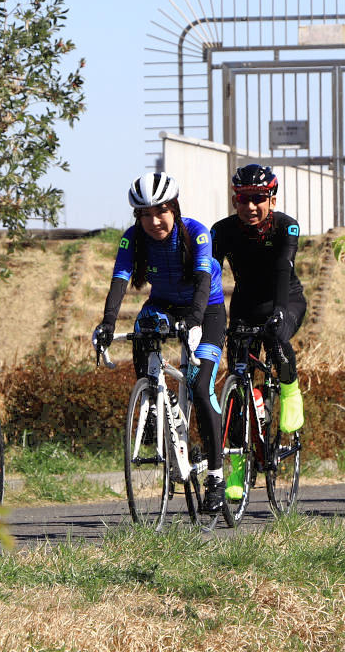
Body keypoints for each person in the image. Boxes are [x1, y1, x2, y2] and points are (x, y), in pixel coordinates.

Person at [92, 172, 228, 514]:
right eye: (144, 214)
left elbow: (201, 281)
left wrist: (195, 323)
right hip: (163, 304)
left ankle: (215, 477)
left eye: (161, 211)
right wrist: (107, 323)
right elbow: (119, 281)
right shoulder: (132, 240)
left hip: (206, 308)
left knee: (200, 386)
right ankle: (153, 400)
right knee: (142, 328)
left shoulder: (196, 233)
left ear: (174, 207)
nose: (154, 221)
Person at [211, 164, 307, 436]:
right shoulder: (222, 230)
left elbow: (282, 267)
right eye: (243, 198)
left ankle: (290, 392)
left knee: (277, 339)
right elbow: (210, 274)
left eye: (258, 198)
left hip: (285, 299)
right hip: (245, 305)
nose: (250, 206)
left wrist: (278, 311)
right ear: (234, 201)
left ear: (272, 200)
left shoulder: (286, 227)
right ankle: (240, 466)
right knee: (238, 381)